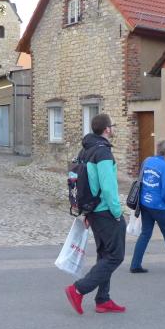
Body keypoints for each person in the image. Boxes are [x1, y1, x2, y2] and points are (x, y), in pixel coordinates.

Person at [64, 113, 127, 315]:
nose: (114, 128)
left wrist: (86, 212)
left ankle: (103, 299)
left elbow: (82, 182)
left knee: (104, 255)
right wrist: (117, 213)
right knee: (115, 256)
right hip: (105, 211)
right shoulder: (103, 153)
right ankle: (78, 290)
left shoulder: (85, 150)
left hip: (92, 210)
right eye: (113, 125)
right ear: (107, 129)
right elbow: (108, 188)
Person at [129, 140, 165, 273]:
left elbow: (141, 179)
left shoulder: (147, 161)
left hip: (145, 203)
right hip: (159, 206)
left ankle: (135, 264)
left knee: (145, 233)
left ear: (157, 149)